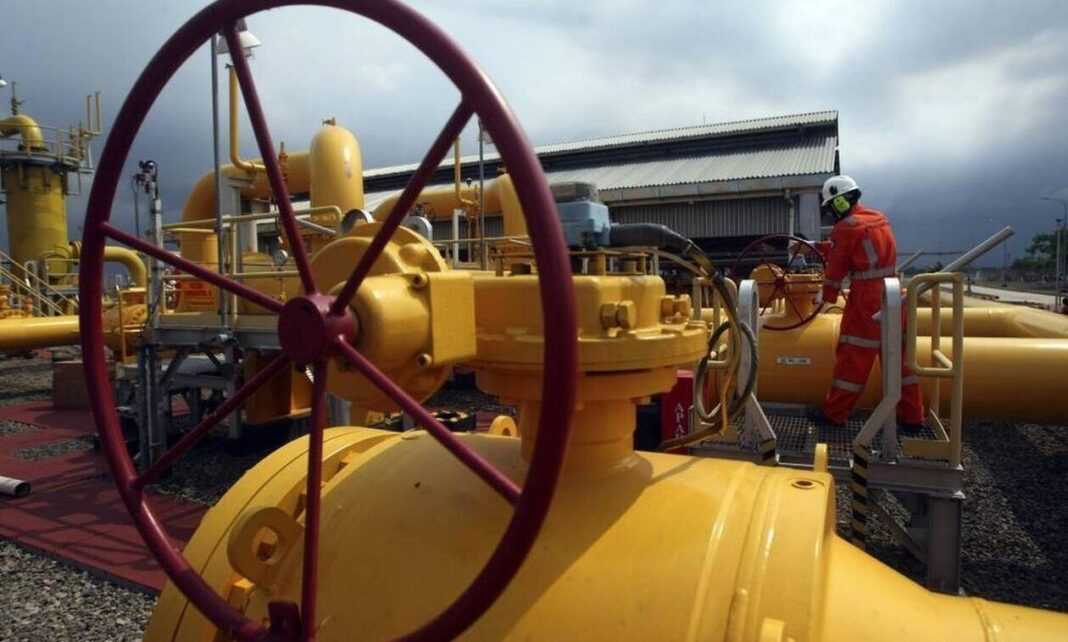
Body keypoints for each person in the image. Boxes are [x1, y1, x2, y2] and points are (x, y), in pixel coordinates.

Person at [812, 175, 925, 430]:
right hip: (893, 293)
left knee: (853, 356)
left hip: (867, 298)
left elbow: (837, 267)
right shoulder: (877, 218)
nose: (832, 213)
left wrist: (826, 295)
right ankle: (913, 417)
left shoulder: (845, 227)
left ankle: (835, 414)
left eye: (831, 207)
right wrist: (818, 246)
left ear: (840, 202)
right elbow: (859, 248)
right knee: (899, 360)